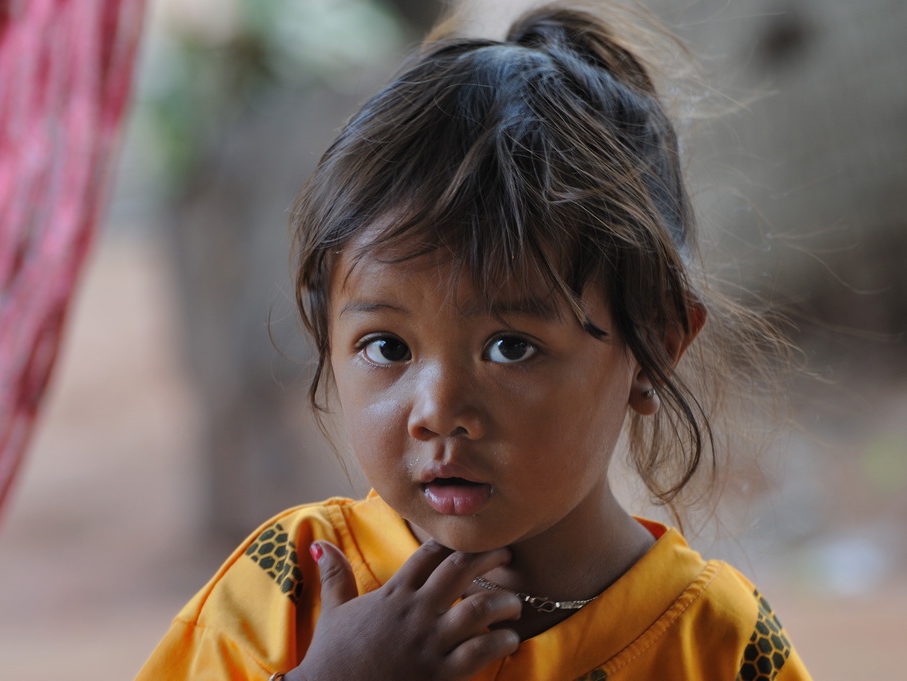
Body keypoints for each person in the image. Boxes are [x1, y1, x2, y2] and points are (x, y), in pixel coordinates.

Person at [136, 1, 811, 679]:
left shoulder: (716, 643)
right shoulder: (291, 586)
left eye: (510, 346)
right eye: (387, 347)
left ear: (656, 344)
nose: (437, 409)